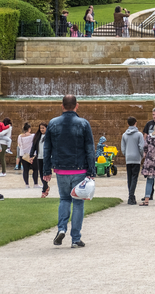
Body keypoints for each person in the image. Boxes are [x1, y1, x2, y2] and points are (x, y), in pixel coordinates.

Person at [42, 95, 96, 248]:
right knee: (78, 203)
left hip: (61, 170)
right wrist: (91, 171)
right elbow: (89, 149)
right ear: (76, 106)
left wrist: (47, 170)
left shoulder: (52, 123)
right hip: (79, 169)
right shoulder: (84, 124)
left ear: (62, 106)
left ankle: (61, 228)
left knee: (64, 200)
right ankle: (75, 239)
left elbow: (47, 149)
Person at [120, 116, 145, 205]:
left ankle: (131, 196)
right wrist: (142, 156)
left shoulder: (124, 135)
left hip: (128, 158)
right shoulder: (139, 134)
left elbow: (123, 148)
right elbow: (141, 147)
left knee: (129, 177)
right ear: (136, 123)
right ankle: (131, 197)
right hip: (136, 158)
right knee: (135, 177)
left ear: (127, 124)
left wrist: (126, 155)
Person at [30, 123, 49, 197]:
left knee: (46, 172)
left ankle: (44, 189)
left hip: (47, 157)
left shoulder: (49, 136)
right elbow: (33, 146)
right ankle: (46, 186)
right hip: (39, 157)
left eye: (43, 128)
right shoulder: (37, 136)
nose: (42, 129)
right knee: (41, 173)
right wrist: (31, 155)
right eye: (41, 128)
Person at [17, 123, 36, 188]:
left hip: (23, 154)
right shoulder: (33, 135)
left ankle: (27, 184)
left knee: (25, 170)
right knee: (35, 169)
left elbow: (19, 145)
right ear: (29, 129)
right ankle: (35, 184)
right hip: (32, 154)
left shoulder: (20, 136)